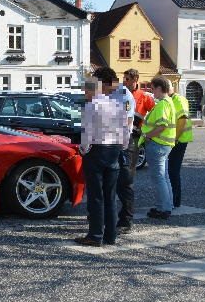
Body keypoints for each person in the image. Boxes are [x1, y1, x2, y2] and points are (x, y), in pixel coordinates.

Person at [74, 67, 129, 247]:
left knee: (96, 196)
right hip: (114, 149)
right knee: (110, 195)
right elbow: (125, 129)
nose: (85, 95)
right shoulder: (117, 104)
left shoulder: (91, 106)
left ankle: (95, 235)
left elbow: (86, 132)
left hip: (97, 150)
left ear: (91, 90)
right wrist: (122, 146)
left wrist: (83, 149)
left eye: (85, 91)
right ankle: (110, 235)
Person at [139, 76, 176, 220]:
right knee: (164, 177)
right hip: (165, 144)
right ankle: (167, 205)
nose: (151, 91)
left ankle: (163, 208)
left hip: (158, 144)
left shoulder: (162, 104)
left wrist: (148, 135)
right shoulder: (169, 102)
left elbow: (162, 125)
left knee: (158, 178)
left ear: (160, 88)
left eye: (153, 88)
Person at [111, 76, 136, 233]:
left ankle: (126, 220)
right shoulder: (109, 94)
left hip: (123, 144)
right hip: (112, 142)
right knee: (111, 183)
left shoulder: (124, 95)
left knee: (124, 184)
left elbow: (127, 120)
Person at [168, 84, 193, 209]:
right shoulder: (174, 99)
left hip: (179, 140)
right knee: (172, 170)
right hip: (178, 139)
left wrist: (175, 139)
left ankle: (175, 200)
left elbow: (182, 119)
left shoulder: (178, 100)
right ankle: (174, 199)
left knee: (173, 171)